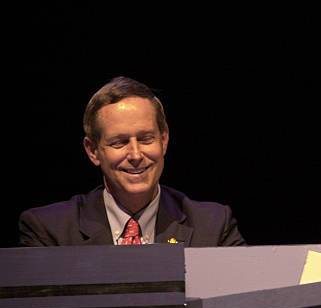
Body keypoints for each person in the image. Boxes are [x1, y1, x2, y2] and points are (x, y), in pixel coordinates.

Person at [19, 76, 245, 247]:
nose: (136, 155)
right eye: (119, 143)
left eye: (146, 139)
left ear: (164, 140)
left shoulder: (213, 227)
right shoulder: (49, 231)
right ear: (93, 151)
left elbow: (246, 304)